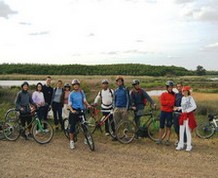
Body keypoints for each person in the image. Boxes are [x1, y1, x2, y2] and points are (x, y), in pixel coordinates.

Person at [68, 79, 91, 149]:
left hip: (81, 110)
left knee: (85, 125)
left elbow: (84, 100)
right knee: (72, 127)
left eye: (77, 85)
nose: (76, 86)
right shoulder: (71, 94)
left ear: (79, 85)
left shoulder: (81, 92)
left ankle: (86, 138)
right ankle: (71, 141)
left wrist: (88, 105)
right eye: (74, 85)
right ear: (73, 86)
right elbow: (69, 104)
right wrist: (72, 110)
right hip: (74, 111)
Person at [174, 86, 197, 151]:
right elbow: (183, 107)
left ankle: (189, 145)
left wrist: (188, 110)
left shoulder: (190, 98)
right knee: (181, 130)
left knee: (187, 131)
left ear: (187, 91)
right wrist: (178, 108)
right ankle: (180, 145)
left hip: (189, 116)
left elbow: (194, 106)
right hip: (183, 115)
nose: (183, 92)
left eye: (184, 91)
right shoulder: (183, 98)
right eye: (183, 91)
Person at [157, 81, 175, 146]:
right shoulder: (163, 94)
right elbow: (162, 103)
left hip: (169, 113)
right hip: (163, 112)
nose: (170, 88)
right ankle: (160, 139)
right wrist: (169, 103)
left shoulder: (174, 95)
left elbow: (173, 103)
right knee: (161, 126)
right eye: (169, 87)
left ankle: (167, 140)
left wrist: (167, 102)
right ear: (167, 87)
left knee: (169, 127)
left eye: (171, 87)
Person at [113, 76, 131, 140]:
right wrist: (114, 107)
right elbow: (114, 100)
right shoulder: (116, 90)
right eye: (118, 81)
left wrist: (126, 108)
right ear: (117, 83)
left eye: (120, 81)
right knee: (116, 123)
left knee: (125, 123)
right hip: (117, 108)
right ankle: (117, 136)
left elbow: (128, 99)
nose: (119, 82)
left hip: (124, 108)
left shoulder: (125, 89)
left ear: (122, 82)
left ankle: (126, 136)